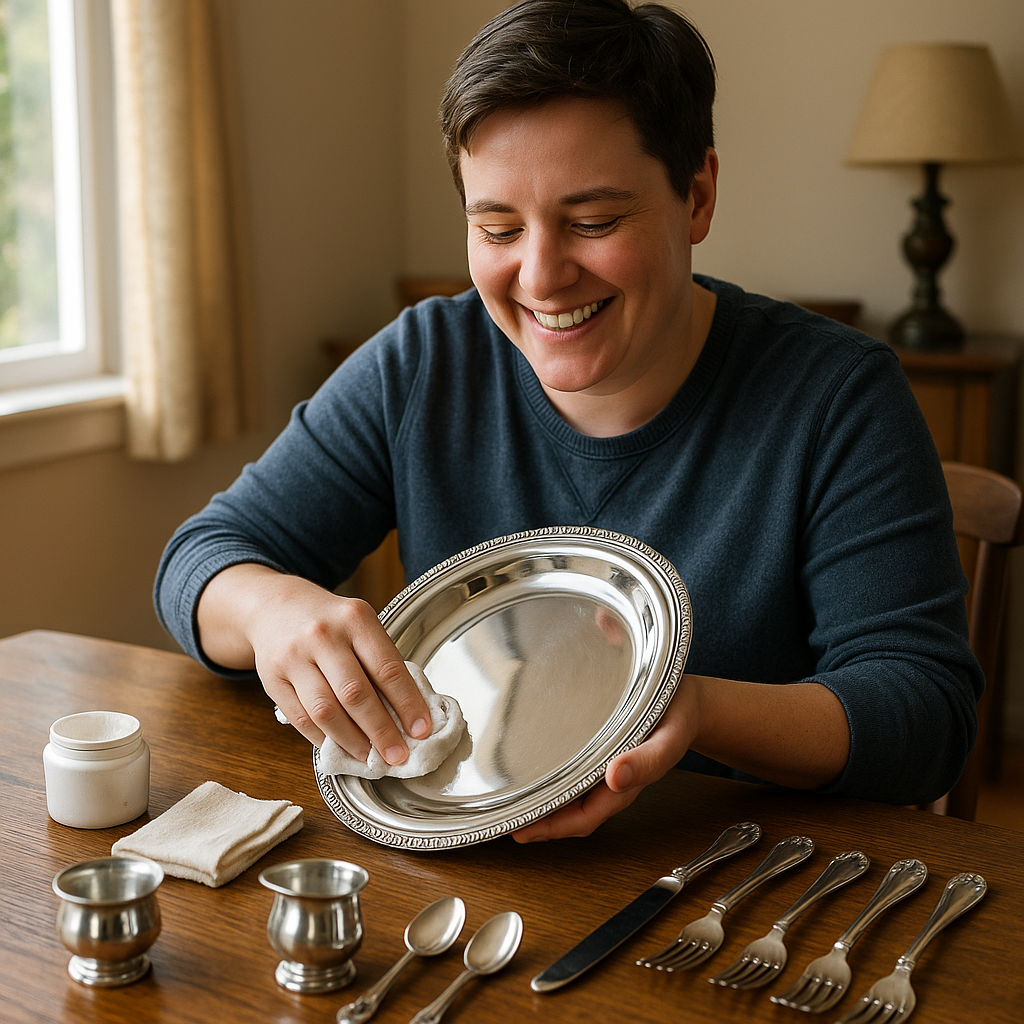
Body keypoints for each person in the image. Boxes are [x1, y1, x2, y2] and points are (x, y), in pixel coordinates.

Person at [154, 0, 982, 841]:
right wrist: (273, 613)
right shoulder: (424, 363)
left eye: (593, 222)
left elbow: (924, 717)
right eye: (498, 227)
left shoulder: (837, 396)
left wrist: (691, 707)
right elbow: (200, 559)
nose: (542, 277)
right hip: (465, 876)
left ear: (696, 196)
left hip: (731, 882)